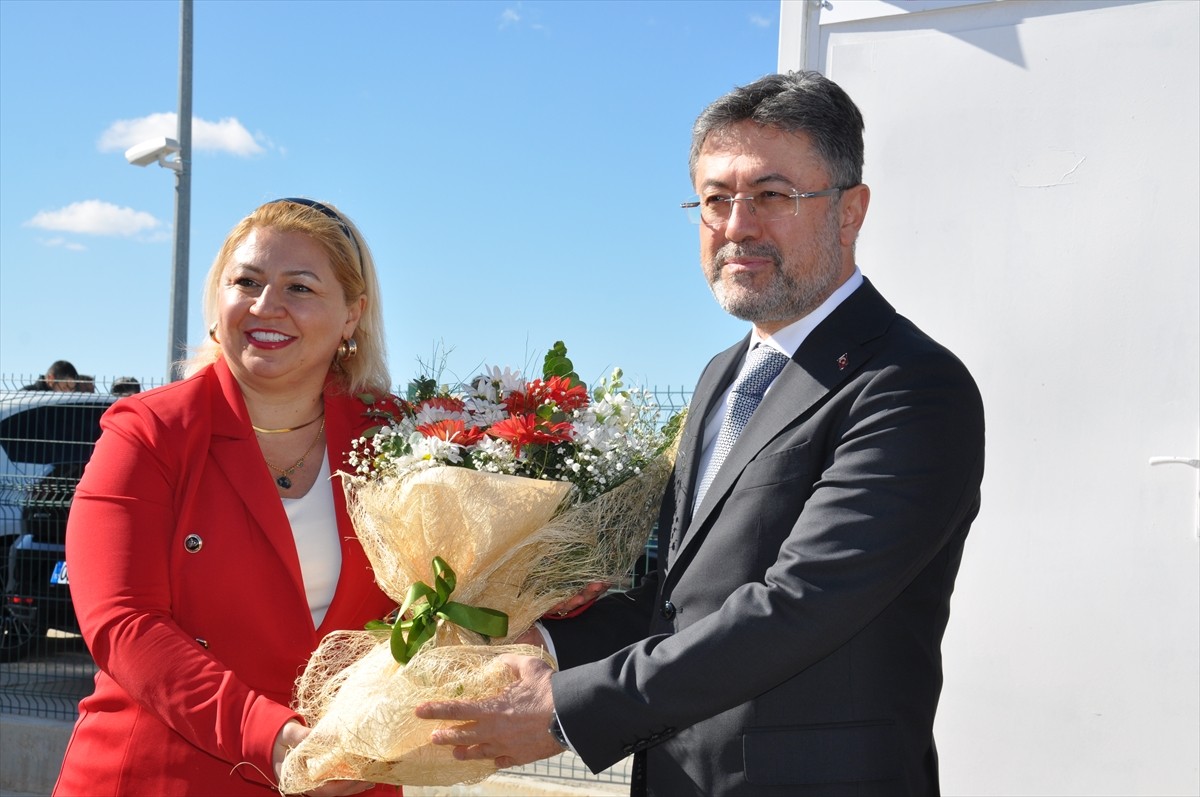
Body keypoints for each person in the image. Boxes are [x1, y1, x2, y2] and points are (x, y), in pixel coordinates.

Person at [415, 71, 986, 796]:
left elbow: (797, 603)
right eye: (716, 199)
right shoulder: (723, 374)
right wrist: (537, 639)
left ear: (850, 211)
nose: (738, 224)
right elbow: (673, 599)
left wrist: (564, 709)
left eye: (772, 196)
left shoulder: (909, 384)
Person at [54, 199, 402, 797]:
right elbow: (123, 623)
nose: (267, 306)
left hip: (346, 778)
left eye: (299, 286)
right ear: (219, 301)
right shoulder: (148, 431)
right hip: (162, 778)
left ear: (353, 315)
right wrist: (271, 736)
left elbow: (433, 606)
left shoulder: (394, 441)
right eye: (246, 281)